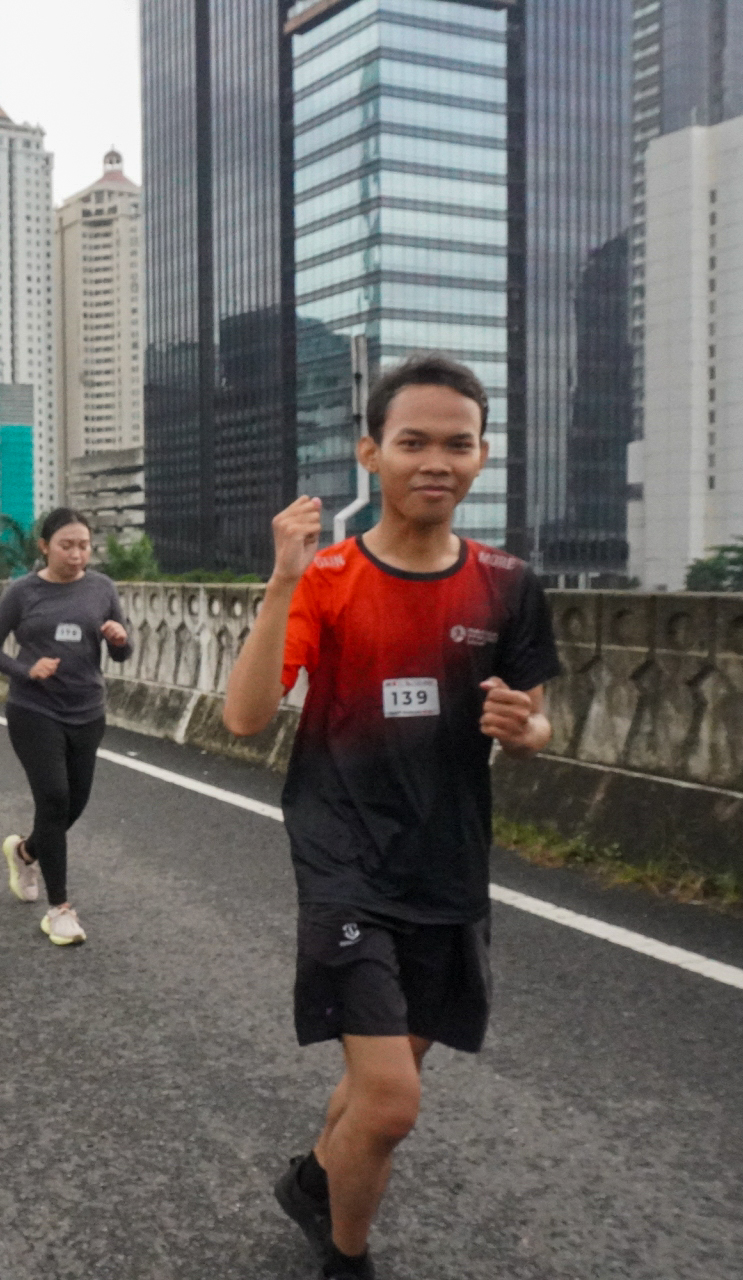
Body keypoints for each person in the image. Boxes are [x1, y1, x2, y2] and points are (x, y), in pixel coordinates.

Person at [220, 355, 560, 1280]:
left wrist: (525, 729)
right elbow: (245, 716)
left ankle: (310, 1181)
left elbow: (535, 721)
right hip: (343, 861)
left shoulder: (507, 583)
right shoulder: (327, 576)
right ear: (371, 453)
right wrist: (282, 581)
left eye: (457, 443)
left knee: (382, 1082)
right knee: (391, 1103)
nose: (435, 461)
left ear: (481, 455)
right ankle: (346, 1259)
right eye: (412, 442)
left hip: (447, 866)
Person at [0, 507, 133, 946]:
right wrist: (26, 670)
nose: (76, 554)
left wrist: (120, 640)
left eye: (84, 546)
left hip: (88, 710)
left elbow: (121, 652)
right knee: (55, 798)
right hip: (34, 710)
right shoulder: (23, 592)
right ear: (45, 547)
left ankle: (24, 852)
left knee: (72, 806)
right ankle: (59, 910)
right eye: (67, 546)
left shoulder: (101, 588)